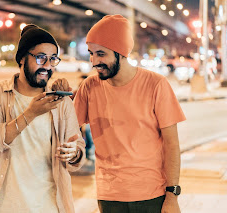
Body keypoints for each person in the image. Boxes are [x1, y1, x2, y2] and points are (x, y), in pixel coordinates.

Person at [52, 15, 186, 213]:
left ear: (121, 52)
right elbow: (66, 128)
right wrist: (60, 98)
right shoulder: (90, 87)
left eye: (101, 54)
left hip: (152, 195)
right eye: (90, 53)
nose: (94, 61)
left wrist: (172, 195)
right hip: (109, 196)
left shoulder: (156, 85)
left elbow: (172, 144)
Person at [0, 24, 86, 213]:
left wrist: (74, 153)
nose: (47, 66)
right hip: (6, 206)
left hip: (50, 206)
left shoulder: (61, 100)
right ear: (22, 59)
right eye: (41, 58)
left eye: (53, 59)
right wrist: (30, 113)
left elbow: (78, 151)